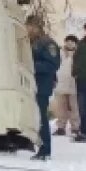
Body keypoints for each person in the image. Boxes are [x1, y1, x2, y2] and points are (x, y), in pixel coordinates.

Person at [26, 15, 60, 160]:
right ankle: (39, 145)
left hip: (42, 84)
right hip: (32, 84)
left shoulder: (47, 43)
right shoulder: (31, 42)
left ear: (37, 27)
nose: (27, 29)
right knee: (35, 117)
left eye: (30, 27)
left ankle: (45, 149)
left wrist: (30, 66)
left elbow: (52, 65)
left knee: (41, 117)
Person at [53, 36, 80, 138]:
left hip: (74, 83)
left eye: (72, 42)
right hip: (60, 83)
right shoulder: (59, 52)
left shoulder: (79, 53)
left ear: (75, 43)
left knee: (75, 107)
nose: (69, 43)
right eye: (68, 41)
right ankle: (61, 127)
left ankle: (75, 127)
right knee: (60, 107)